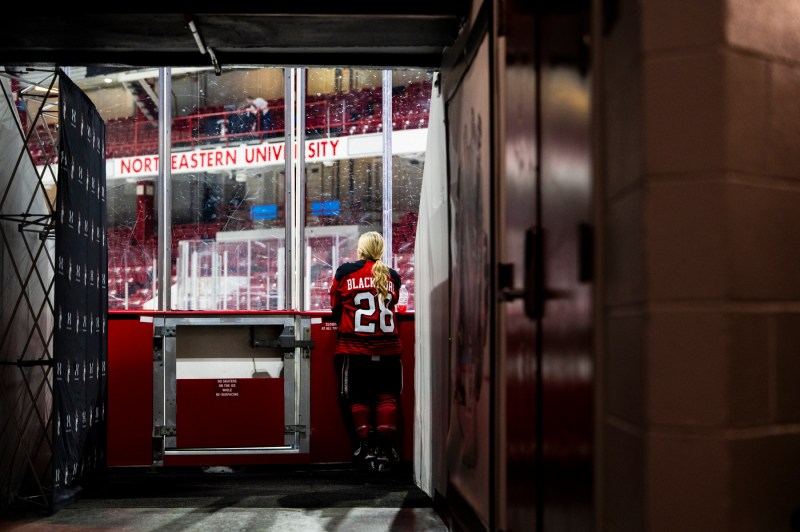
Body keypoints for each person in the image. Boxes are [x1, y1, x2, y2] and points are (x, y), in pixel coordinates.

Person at [329, 231, 403, 473]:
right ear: (381, 250)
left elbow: (336, 310)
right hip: (389, 349)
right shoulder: (392, 275)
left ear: (360, 250)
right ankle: (384, 450)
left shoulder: (345, 272)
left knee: (358, 398)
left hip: (354, 349)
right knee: (387, 397)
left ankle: (366, 448)